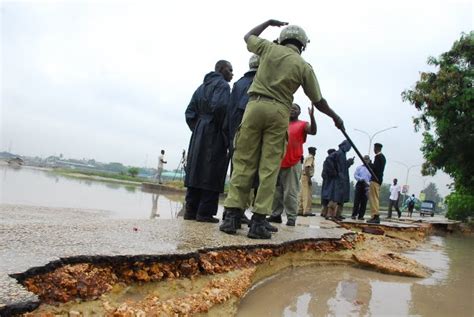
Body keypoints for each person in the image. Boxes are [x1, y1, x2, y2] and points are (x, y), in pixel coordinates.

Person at [220, 19, 344, 239]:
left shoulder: (269, 48)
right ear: (302, 44)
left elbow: (248, 37)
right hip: (279, 113)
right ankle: (258, 221)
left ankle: (231, 216)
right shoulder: (303, 66)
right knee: (269, 168)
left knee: (243, 161)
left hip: (255, 106)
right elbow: (318, 101)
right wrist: (335, 117)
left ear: (283, 38)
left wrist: (268, 23)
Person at [184, 60, 233, 223]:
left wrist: (199, 127)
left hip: (199, 131)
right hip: (215, 131)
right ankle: (204, 213)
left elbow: (189, 112)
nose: (232, 74)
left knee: (196, 169)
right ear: (221, 69)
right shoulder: (223, 86)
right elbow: (221, 108)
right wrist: (223, 132)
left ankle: (190, 210)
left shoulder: (201, 87)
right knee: (212, 170)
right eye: (230, 70)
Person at [225, 54, 260, 226]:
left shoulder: (238, 83)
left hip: (235, 135)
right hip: (250, 136)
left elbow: (230, 111)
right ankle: (239, 214)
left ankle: (232, 212)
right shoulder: (260, 82)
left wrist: (230, 136)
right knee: (252, 176)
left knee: (237, 174)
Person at [268, 103, 316, 226]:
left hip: (293, 162)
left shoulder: (303, 124)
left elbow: (313, 131)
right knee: (276, 192)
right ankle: (275, 215)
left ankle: (291, 217)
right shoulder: (282, 123)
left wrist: (312, 117)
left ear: (299, 112)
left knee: (290, 191)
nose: (292, 110)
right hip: (278, 161)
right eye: (290, 108)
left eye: (295, 109)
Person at [322, 140, 354, 221]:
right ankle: (329, 214)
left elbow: (342, 166)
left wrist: (348, 163)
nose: (349, 148)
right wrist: (333, 172)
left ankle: (337, 215)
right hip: (338, 180)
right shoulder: (339, 153)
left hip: (342, 179)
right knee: (334, 197)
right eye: (348, 146)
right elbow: (328, 160)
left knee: (340, 198)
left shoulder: (343, 154)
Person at [367, 143, 386, 224]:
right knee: (375, 198)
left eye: (374, 148)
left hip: (375, 180)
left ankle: (375, 216)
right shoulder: (383, 157)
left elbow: (376, 169)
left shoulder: (378, 157)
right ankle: (374, 215)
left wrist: (370, 164)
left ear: (376, 148)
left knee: (373, 198)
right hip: (378, 180)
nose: (373, 150)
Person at [351, 155, 371, 220]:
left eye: (367, 159)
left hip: (367, 186)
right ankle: (354, 214)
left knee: (364, 201)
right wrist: (361, 179)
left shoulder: (370, 169)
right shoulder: (359, 168)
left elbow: (371, 178)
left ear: (369, 160)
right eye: (364, 159)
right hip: (360, 184)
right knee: (357, 201)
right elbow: (355, 175)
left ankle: (361, 216)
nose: (366, 160)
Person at [298, 147, 317, 217]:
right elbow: (307, 168)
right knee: (307, 195)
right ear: (313, 152)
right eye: (315, 151)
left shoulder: (307, 157)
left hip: (303, 176)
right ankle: (306, 211)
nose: (315, 153)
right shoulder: (310, 158)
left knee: (302, 194)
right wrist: (309, 179)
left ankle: (300, 210)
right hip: (306, 176)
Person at [320, 148, 336, 217]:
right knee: (328, 197)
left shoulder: (326, 161)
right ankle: (327, 213)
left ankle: (324, 212)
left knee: (324, 197)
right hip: (329, 181)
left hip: (326, 180)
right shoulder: (330, 161)